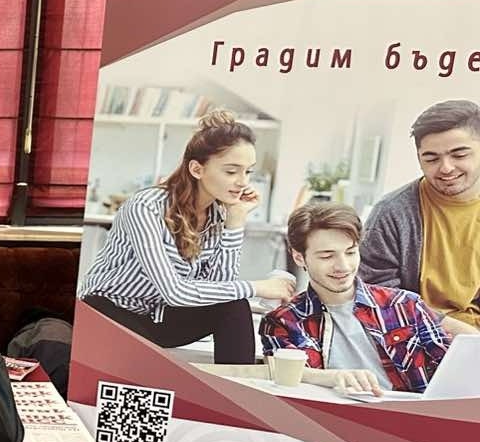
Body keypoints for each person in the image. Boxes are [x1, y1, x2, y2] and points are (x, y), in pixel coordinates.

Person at [80, 110, 294, 364]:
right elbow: (173, 291)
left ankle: (238, 383)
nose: (242, 182)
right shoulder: (146, 207)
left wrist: (235, 221)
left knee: (234, 305)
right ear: (196, 169)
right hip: (109, 313)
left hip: (161, 317)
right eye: (231, 172)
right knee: (235, 299)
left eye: (248, 172)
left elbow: (219, 289)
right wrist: (258, 287)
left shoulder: (218, 214)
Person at [260, 203, 449, 394]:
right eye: (327, 256)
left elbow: (450, 368)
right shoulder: (283, 322)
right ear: (299, 257)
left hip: (410, 410)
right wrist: (333, 377)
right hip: (329, 412)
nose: (343, 266)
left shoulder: (406, 305)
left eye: (350, 252)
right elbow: (284, 374)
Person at [361, 99, 480, 337]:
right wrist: (457, 331)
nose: (446, 168)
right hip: (414, 340)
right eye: (431, 158)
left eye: (459, 154)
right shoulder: (392, 213)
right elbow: (378, 298)